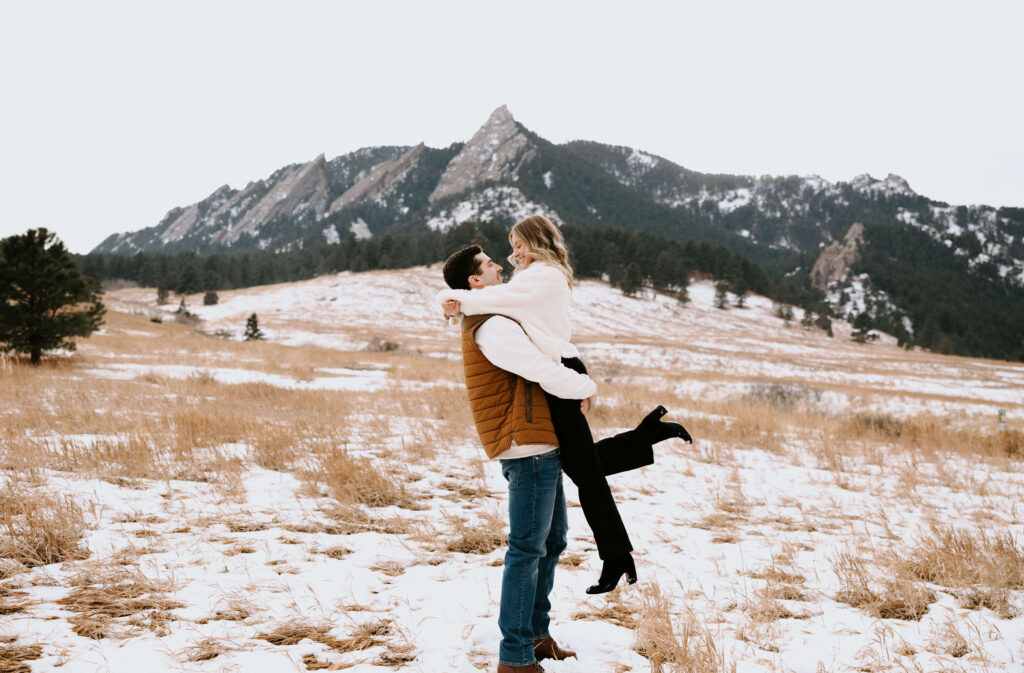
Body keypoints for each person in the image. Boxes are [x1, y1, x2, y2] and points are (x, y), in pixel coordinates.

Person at [441, 244, 688, 672]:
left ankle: (536, 636)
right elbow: (538, 367)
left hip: (540, 440)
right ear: (474, 282)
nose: (500, 264)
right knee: (527, 547)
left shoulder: (496, 314)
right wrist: (585, 387)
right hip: (527, 444)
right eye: (489, 264)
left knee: (551, 541)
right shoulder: (491, 326)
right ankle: (515, 657)